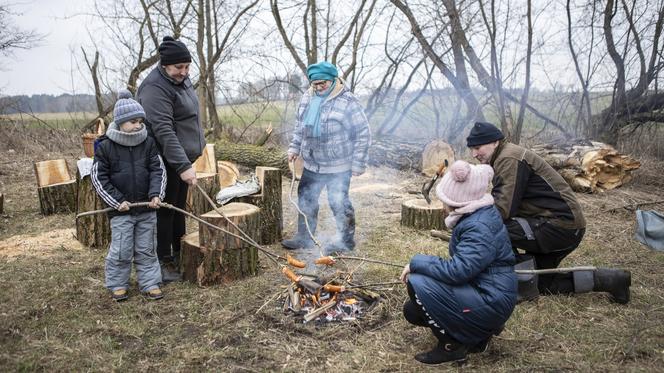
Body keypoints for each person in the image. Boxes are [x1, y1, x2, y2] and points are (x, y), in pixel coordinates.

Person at [466, 121, 631, 303]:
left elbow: (502, 210)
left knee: (491, 228)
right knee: (542, 284)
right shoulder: (505, 155)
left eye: (477, 147)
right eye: (471, 149)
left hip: (559, 227)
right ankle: (612, 279)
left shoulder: (509, 158)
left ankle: (508, 277)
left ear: (495, 142)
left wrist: (469, 220)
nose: (474, 154)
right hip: (561, 227)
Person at [400, 160, 517, 365]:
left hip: (491, 300)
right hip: (487, 293)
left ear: (458, 202)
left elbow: (458, 271)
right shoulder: (477, 216)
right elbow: (466, 267)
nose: (442, 205)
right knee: (412, 310)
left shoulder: (478, 227)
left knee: (417, 281)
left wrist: (416, 263)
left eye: (444, 199)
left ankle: (452, 347)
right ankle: (477, 338)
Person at [282, 61, 371, 254]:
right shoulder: (307, 98)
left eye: (323, 83)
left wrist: (358, 163)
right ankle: (304, 237)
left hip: (339, 165)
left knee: (338, 201)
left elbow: (363, 133)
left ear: (333, 80)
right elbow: (300, 128)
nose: (319, 87)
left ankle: (345, 241)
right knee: (306, 198)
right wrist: (294, 148)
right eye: (315, 84)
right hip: (312, 163)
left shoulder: (348, 100)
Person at [137, 36, 205, 282]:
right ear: (165, 65)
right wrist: (183, 165)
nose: (184, 72)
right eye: (179, 67)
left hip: (181, 158)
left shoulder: (181, 80)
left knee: (177, 209)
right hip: (164, 160)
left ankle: (179, 252)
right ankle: (161, 261)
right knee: (165, 209)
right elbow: (164, 131)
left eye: (187, 67)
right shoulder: (154, 88)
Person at [92, 89, 167, 301]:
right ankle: (117, 284)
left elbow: (157, 170)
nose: (138, 125)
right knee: (121, 249)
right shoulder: (106, 146)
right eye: (133, 121)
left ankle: (150, 282)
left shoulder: (148, 143)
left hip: (146, 208)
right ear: (120, 122)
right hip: (121, 211)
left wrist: (156, 195)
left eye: (140, 121)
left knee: (146, 248)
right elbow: (99, 179)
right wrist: (117, 202)